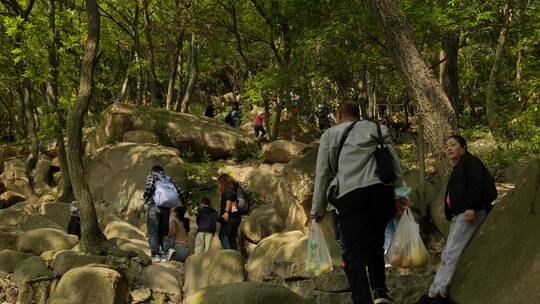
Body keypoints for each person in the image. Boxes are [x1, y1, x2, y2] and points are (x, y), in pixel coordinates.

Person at [310, 101, 408, 304]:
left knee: (353, 251)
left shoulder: (330, 135)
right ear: (358, 114)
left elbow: (322, 174)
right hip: (381, 193)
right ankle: (380, 293)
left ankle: (362, 298)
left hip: (350, 195)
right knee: (375, 243)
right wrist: (401, 195)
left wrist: (317, 209)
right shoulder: (378, 129)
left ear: (339, 115)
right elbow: (394, 164)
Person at [416, 135, 495, 304]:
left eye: (453, 145)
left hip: (469, 213)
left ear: (463, 147)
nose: (449, 148)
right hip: (459, 215)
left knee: (452, 252)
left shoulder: (470, 162)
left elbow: (477, 183)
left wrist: (471, 206)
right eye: (446, 146)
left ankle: (440, 292)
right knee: (448, 252)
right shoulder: (458, 166)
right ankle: (434, 291)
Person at [143, 165, 182, 263]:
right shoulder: (168, 179)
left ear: (153, 170)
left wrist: (145, 199)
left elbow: (149, 188)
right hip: (167, 208)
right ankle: (166, 252)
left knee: (153, 231)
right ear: (162, 171)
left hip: (154, 206)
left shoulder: (152, 175)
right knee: (164, 231)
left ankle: (155, 254)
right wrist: (186, 204)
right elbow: (179, 191)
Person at [217, 173, 242, 250]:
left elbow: (229, 199)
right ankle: (235, 256)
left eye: (219, 183)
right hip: (236, 217)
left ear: (222, 182)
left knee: (223, 235)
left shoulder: (228, 189)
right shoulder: (234, 188)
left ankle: (229, 254)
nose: (218, 185)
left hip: (230, 217)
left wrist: (226, 212)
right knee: (232, 237)